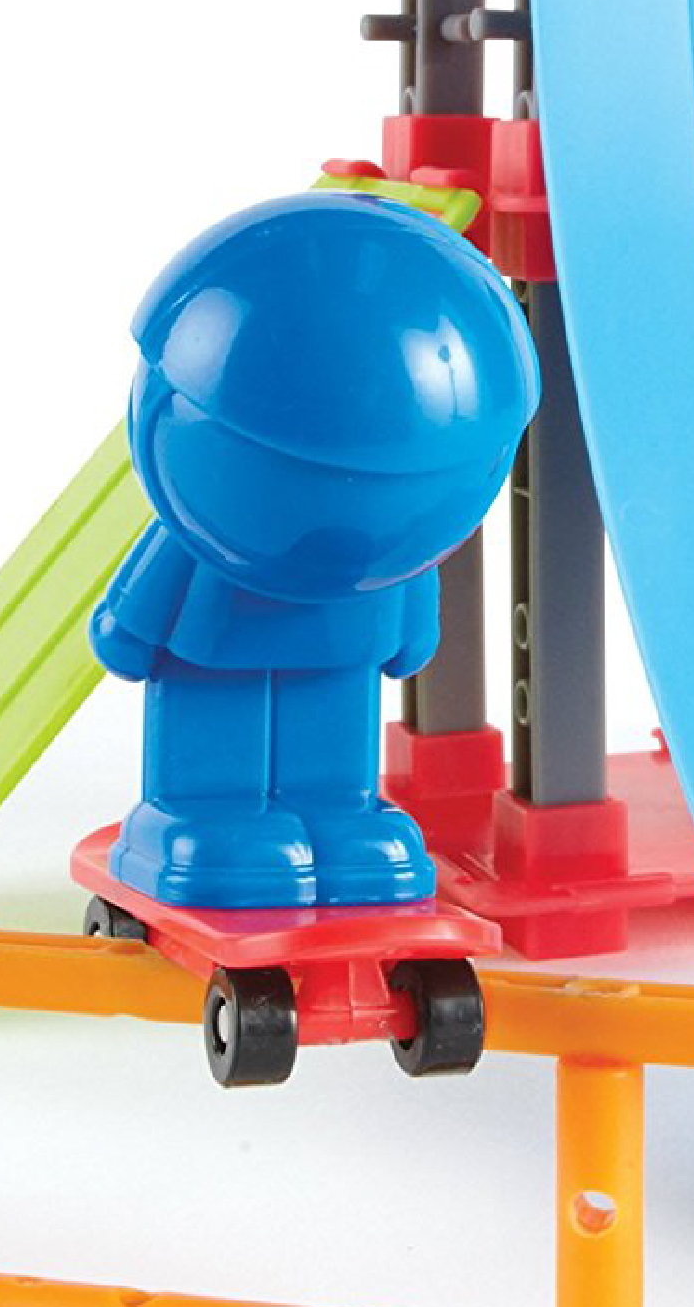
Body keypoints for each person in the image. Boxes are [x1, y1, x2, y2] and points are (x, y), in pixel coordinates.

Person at [90, 192, 537, 909]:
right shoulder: (372, 548)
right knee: (223, 746)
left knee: (331, 757)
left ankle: (337, 815)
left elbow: (123, 636)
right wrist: (129, 627)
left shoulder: (396, 556)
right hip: (231, 647)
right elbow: (134, 618)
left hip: (330, 647)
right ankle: (202, 813)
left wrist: (124, 632)